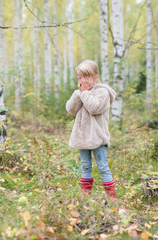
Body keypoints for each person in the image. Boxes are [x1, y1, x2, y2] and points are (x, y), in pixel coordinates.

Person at [66, 60, 117, 198]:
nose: (82, 80)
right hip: (82, 138)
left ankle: (112, 200)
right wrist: (79, 93)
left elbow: (94, 108)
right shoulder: (81, 92)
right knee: (85, 166)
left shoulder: (103, 92)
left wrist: (84, 93)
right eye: (80, 77)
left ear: (95, 76)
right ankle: (85, 198)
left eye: (86, 76)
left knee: (103, 167)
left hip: (97, 137)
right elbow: (70, 109)